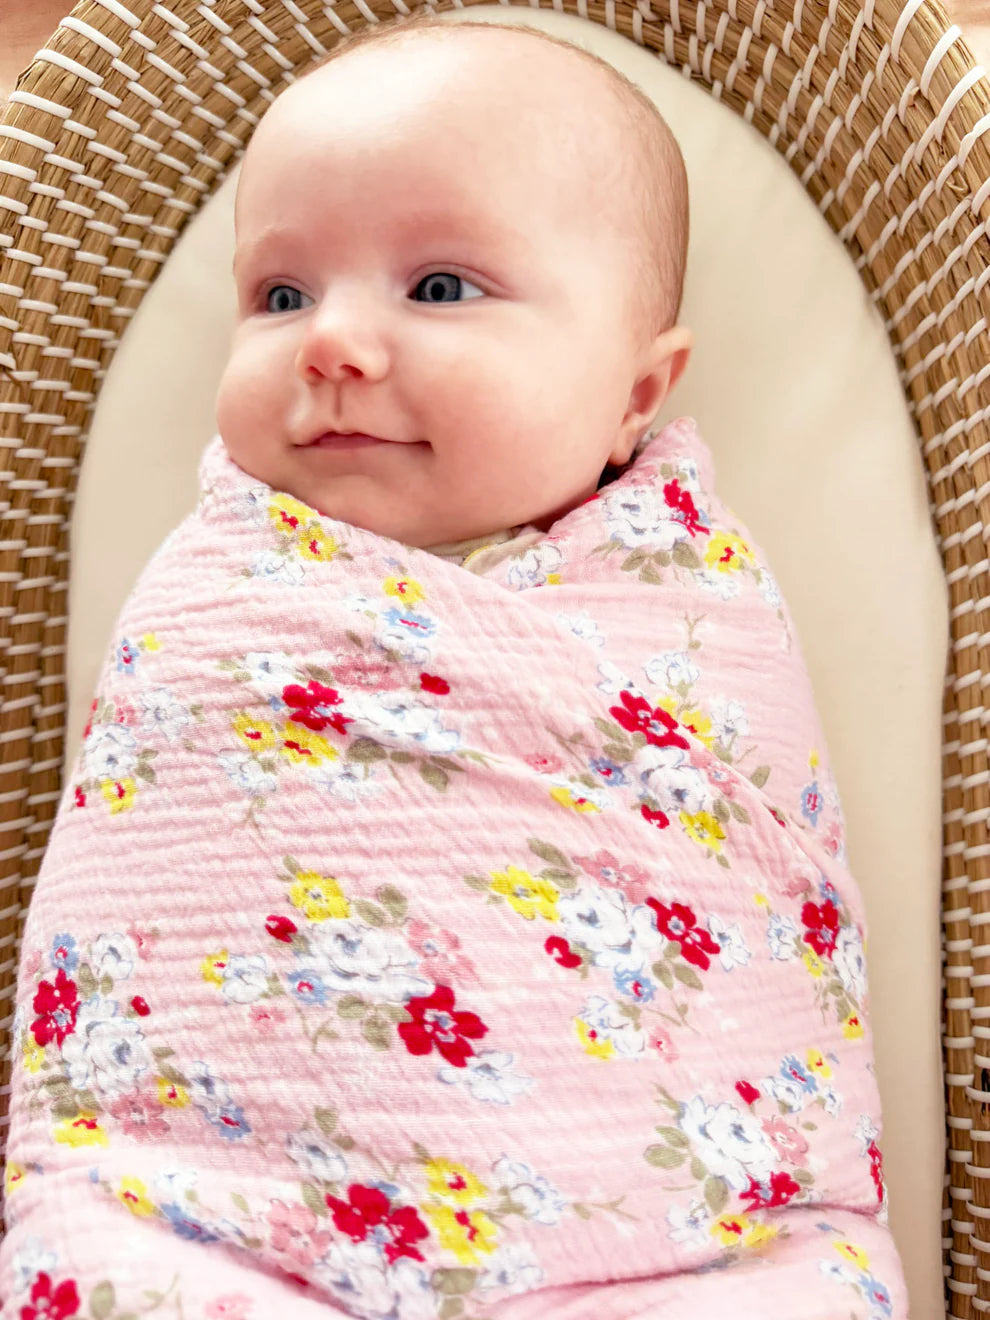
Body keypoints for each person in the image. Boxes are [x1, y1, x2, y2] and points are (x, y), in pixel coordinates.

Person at [0, 16, 907, 1320]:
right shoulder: (217, 583)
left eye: (438, 289)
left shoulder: (688, 602)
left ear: (634, 395)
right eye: (280, 295)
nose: (331, 343)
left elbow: (752, 886)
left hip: (676, 1254)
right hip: (211, 1226)